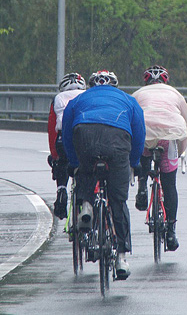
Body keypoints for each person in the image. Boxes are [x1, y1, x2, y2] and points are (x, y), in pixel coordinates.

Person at [61, 70, 145, 280]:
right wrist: (134, 162)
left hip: (85, 135)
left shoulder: (79, 99)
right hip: (117, 140)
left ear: (91, 86)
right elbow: (139, 132)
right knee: (118, 201)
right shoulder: (129, 100)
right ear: (114, 86)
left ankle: (87, 207)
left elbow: (67, 132)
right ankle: (122, 258)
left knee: (86, 173)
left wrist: (74, 162)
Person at [132, 65, 187, 251]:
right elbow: (185, 125)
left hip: (145, 134)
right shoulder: (176, 94)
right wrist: (181, 151)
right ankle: (171, 231)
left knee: (142, 149)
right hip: (169, 134)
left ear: (146, 81)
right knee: (169, 184)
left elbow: (130, 121)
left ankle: (142, 184)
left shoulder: (137, 94)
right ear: (166, 81)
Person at [47, 72, 87, 220]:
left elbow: (52, 129)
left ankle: (61, 190)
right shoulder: (88, 96)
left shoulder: (58, 98)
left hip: (63, 138)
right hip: (86, 136)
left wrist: (54, 156)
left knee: (62, 162)